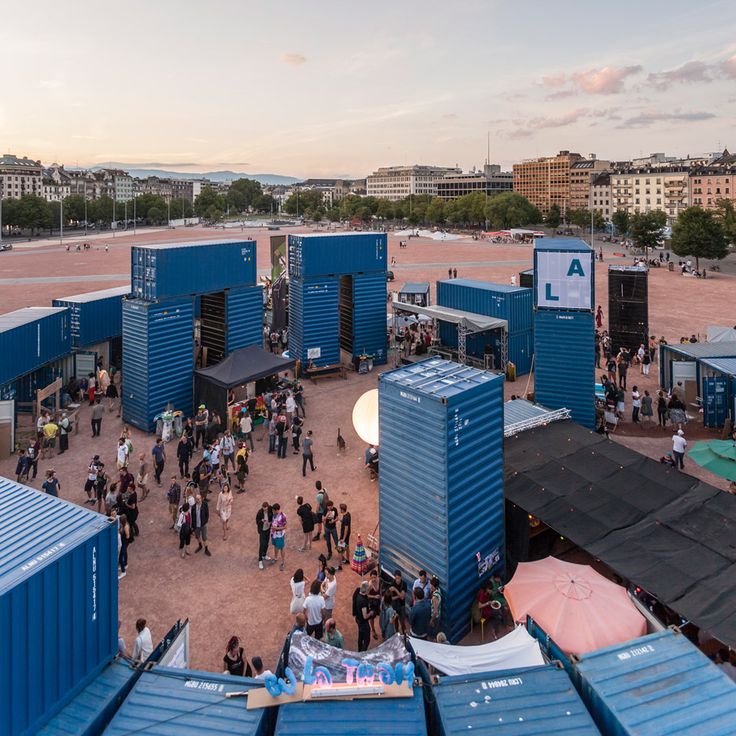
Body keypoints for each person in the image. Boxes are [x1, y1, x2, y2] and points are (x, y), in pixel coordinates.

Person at [353, 580, 372, 652]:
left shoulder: (358, 594)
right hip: (363, 622)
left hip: (358, 618)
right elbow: (365, 616)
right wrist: (371, 613)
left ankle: (359, 650)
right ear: (366, 590)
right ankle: (362, 652)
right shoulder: (363, 601)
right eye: (368, 589)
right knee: (367, 640)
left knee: (360, 636)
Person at [256, 501, 273, 570]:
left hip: (268, 530)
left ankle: (264, 555)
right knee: (262, 545)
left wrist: (270, 523)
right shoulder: (260, 512)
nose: (265, 510)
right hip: (262, 531)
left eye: (266, 509)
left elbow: (272, 517)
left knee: (266, 544)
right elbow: (257, 521)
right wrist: (262, 521)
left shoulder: (270, 509)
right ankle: (260, 560)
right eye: (264, 509)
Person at [271, 503, 287, 571]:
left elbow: (285, 527)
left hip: (280, 535)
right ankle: (275, 558)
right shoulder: (274, 515)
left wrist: (276, 528)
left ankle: (283, 562)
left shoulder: (283, 516)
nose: (272, 512)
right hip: (274, 534)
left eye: (273, 510)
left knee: (281, 548)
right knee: (275, 546)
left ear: (276, 510)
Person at [119, 515, 131, 579]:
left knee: (121, 556)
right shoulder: (123, 525)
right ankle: (125, 564)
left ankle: (123, 571)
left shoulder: (126, 526)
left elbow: (127, 536)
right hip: (124, 541)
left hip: (124, 542)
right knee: (125, 552)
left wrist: (124, 543)